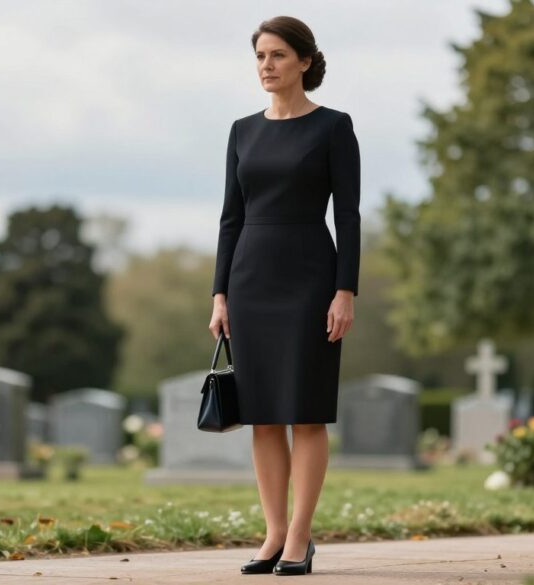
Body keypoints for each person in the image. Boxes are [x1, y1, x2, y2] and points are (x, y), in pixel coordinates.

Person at [207, 15, 360, 577]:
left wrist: (345, 289)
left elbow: (348, 216)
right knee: (263, 415)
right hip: (250, 280)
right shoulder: (241, 130)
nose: (265, 67)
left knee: (306, 412)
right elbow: (230, 217)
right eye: (259, 57)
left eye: (276, 56)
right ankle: (272, 534)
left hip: (310, 279)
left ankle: (300, 537)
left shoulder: (333, 127)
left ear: (304, 61)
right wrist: (219, 293)